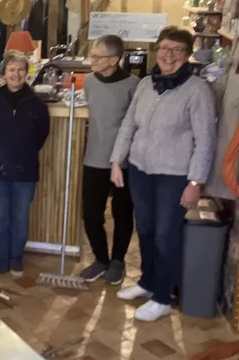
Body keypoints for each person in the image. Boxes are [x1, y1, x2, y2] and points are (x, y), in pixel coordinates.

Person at [111, 27, 216, 322]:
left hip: (174, 175)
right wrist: (117, 160)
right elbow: (129, 124)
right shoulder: (146, 83)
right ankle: (148, 281)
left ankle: (162, 297)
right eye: (164, 48)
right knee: (145, 230)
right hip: (140, 170)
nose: (169, 55)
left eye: (177, 50)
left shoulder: (197, 90)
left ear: (187, 55)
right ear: (157, 51)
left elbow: (205, 140)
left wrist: (195, 182)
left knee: (165, 235)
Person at [0, 50, 50, 278]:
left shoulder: (37, 104)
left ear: (27, 73)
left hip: (25, 171)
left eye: (21, 70)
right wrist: (1, 154)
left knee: (20, 219)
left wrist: (23, 154)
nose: (16, 74)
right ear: (4, 74)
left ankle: (16, 259)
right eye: (11, 70)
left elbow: (42, 135)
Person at [78, 35, 139, 285]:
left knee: (122, 213)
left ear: (113, 59)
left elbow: (135, 124)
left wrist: (122, 157)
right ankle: (101, 259)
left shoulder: (134, 85)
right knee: (91, 214)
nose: (91, 60)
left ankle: (118, 261)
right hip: (94, 158)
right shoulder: (89, 81)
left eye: (96, 56)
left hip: (124, 162)